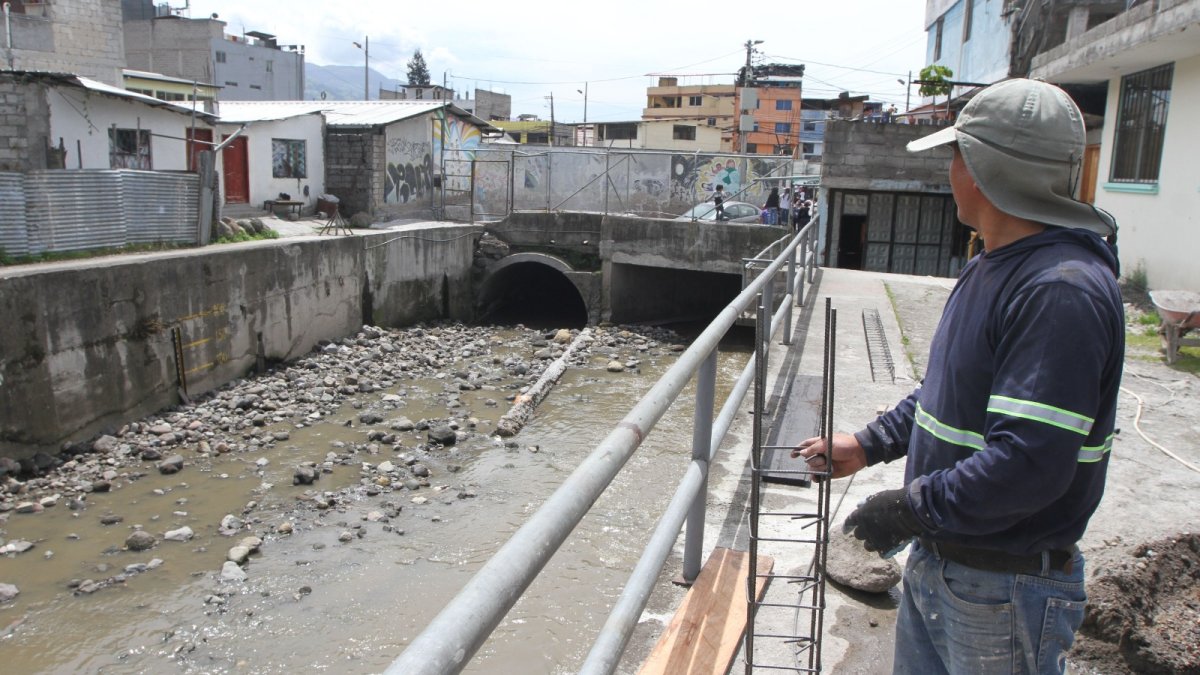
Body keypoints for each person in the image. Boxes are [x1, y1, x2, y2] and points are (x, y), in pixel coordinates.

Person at [792, 78, 1123, 675]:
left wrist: (908, 509)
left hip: (1003, 588)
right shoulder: (993, 265)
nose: (951, 170)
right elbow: (946, 393)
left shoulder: (1059, 291)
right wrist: (870, 445)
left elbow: (1029, 463)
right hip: (948, 563)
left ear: (986, 169)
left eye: (956, 154)